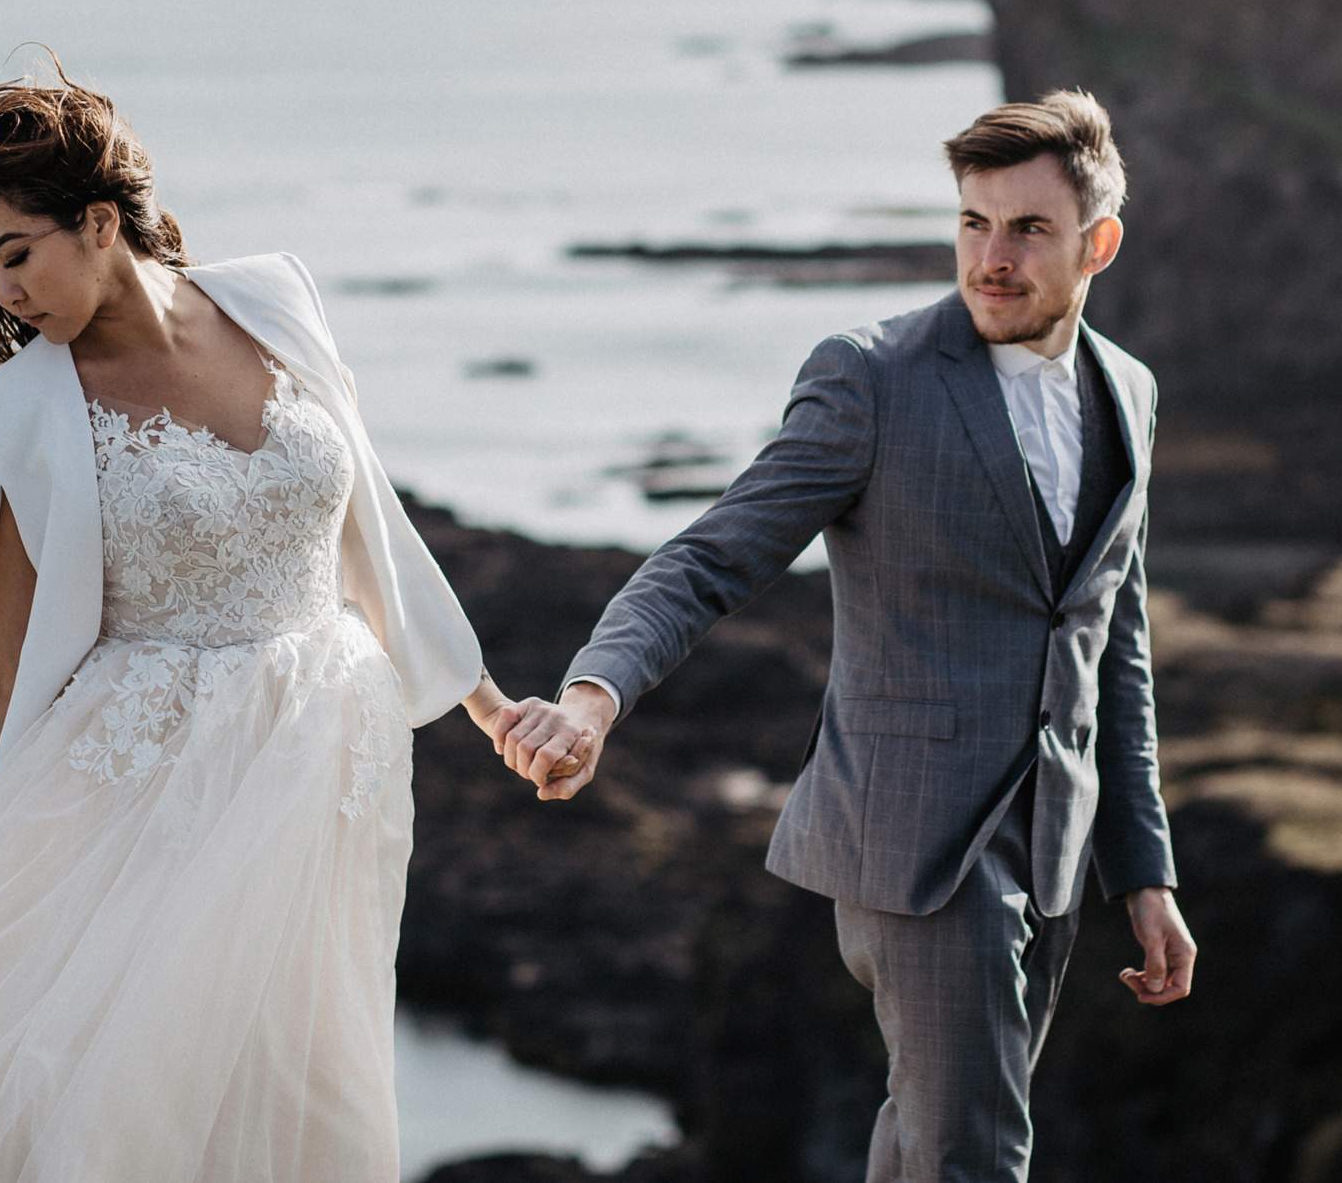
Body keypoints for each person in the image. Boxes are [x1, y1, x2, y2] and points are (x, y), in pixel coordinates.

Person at [0, 70, 527, 1182]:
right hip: (150, 776)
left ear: (100, 222)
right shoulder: (19, 414)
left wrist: (486, 702)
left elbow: (372, 525)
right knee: (129, 1093)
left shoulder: (277, 299)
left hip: (328, 752)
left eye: (17, 250)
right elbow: (1, 657)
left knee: (308, 1062)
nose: (2, 285)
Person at [494, 90, 1197, 1183]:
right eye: (972, 221)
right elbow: (712, 552)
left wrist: (1141, 866)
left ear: (1097, 242)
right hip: (914, 839)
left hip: (1054, 839)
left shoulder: (1131, 392)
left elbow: (1115, 641)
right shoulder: (870, 378)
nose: (991, 256)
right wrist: (594, 693)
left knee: (918, 1139)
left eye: (1027, 228)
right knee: (973, 1152)